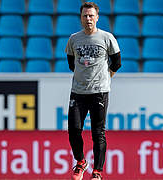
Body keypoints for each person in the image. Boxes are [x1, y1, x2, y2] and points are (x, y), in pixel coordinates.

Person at [65, 2, 121, 180]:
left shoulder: (107, 37)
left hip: (99, 92)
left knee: (98, 132)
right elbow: (71, 63)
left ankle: (97, 171)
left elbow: (117, 62)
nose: (88, 19)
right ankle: (81, 162)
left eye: (91, 16)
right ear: (80, 18)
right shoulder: (74, 38)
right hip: (78, 92)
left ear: (97, 17)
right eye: (85, 16)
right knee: (73, 130)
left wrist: (105, 77)